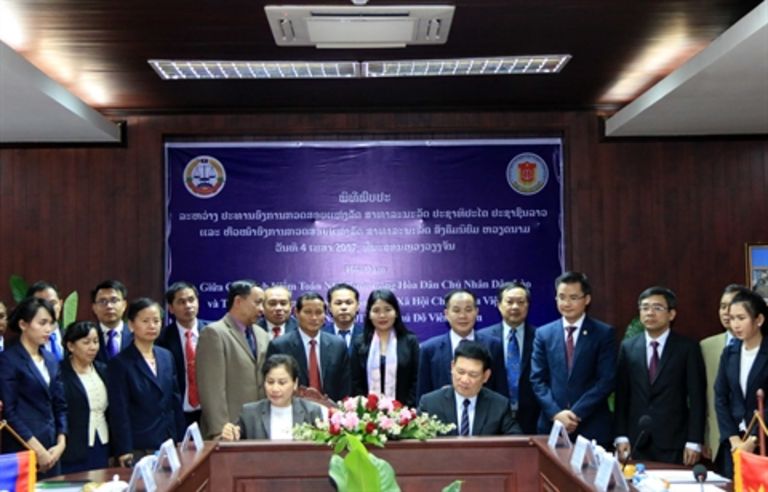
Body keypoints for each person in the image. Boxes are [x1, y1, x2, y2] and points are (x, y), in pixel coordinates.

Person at [614, 286, 706, 465]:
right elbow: (622, 396)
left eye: (657, 308)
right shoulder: (628, 347)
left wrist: (694, 441)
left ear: (671, 314)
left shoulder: (687, 348)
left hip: (673, 440)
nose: (650, 313)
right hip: (636, 440)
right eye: (645, 307)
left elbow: (697, 398)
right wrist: (621, 435)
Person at [530, 271, 616, 446]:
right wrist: (556, 413)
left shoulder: (603, 333)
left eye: (573, 297)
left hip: (591, 425)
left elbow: (606, 380)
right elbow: (537, 380)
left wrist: (575, 414)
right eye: (561, 297)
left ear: (587, 299)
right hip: (552, 425)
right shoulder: (543, 334)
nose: (566, 303)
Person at [108, 298, 184, 467]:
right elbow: (119, 410)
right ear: (131, 325)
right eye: (145, 321)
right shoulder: (120, 363)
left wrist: (179, 438)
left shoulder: (166, 356)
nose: (152, 326)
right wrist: (124, 449)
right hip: (139, 444)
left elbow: (175, 400)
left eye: (156, 321)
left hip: (168, 441)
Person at [0, 297, 67, 478]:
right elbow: (9, 413)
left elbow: (60, 405)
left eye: (51, 323)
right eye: (42, 323)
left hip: (52, 448)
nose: (48, 329)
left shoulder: (51, 360)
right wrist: (37, 450)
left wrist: (61, 443)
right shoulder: (8, 360)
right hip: (23, 448)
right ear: (23, 324)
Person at [196, 280, 269, 439]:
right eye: (257, 303)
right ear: (238, 301)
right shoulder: (214, 333)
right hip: (230, 428)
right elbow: (211, 389)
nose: (262, 309)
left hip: (258, 427)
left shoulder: (262, 334)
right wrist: (220, 429)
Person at [714, 289, 768, 478]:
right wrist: (734, 439)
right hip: (735, 445)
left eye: (741, 318)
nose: (735, 324)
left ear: (758, 320)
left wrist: (753, 439)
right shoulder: (729, 353)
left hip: (763, 441)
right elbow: (720, 398)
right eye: (732, 318)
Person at [418, 289, 507, 399]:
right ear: (446, 314)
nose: (462, 316)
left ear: (476, 312)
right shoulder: (429, 349)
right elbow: (422, 395)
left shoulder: (494, 346)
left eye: (468, 310)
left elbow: (501, 391)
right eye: (456, 310)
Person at [418, 341, 520, 436]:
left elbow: (515, 441)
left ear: (486, 376)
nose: (465, 380)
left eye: (473, 374)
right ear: (452, 367)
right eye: (460, 372)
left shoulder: (499, 406)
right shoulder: (430, 404)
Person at [478, 281, 541, 434]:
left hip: (533, 418)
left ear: (528, 306)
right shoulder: (482, 338)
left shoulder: (541, 337)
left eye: (521, 302)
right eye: (509, 302)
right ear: (499, 305)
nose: (515, 307)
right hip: (492, 418)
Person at [266, 292, 351, 402]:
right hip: (293, 408)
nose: (314, 317)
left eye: (319, 312)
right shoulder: (280, 346)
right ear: (296, 313)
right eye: (308, 312)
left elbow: (345, 386)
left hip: (331, 409)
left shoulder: (338, 345)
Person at [220, 354, 325, 440]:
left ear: (295, 383)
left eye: (282, 383)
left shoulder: (311, 412)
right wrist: (229, 434)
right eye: (270, 382)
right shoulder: (250, 413)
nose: (275, 389)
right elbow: (231, 443)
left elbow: (323, 449)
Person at [700, 283, 748, 469]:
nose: (727, 312)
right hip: (719, 439)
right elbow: (703, 396)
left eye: (733, 306)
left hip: (753, 436)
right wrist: (705, 437)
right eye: (723, 306)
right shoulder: (706, 346)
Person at [350, 289, 420, 406]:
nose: (382, 315)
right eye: (376, 310)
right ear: (369, 314)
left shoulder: (410, 341)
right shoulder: (359, 343)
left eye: (387, 310)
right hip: (368, 413)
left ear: (396, 313)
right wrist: (365, 409)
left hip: (405, 411)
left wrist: (404, 409)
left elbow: (417, 379)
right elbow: (355, 382)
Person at [60, 321, 110, 473]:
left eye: (95, 341)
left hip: (102, 442)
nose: (93, 347)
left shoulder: (103, 369)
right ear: (71, 346)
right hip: (73, 447)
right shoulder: (59, 373)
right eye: (86, 342)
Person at [157, 281, 207, 426]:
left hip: (208, 411)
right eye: (181, 302)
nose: (188, 305)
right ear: (171, 308)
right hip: (178, 412)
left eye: (191, 300)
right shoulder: (162, 339)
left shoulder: (213, 332)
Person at [91, 280, 132, 362]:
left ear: (124, 305)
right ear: (94, 308)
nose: (109, 306)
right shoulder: (86, 336)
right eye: (103, 301)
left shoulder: (136, 335)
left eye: (114, 300)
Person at [27, 281, 65, 361]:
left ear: (60, 304)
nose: (48, 308)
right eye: (42, 304)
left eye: (52, 303)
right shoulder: (24, 344)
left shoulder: (73, 338)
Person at [323, 283, 363, 353]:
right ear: (329, 307)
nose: (343, 307)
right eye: (338, 303)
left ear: (357, 306)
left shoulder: (367, 335)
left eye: (349, 303)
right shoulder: (320, 335)